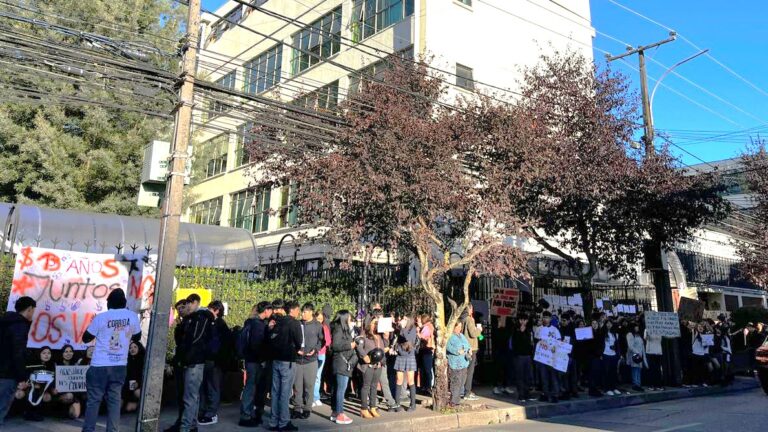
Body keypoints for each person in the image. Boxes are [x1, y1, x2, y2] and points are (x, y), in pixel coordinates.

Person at [81, 288, 142, 432]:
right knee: (114, 401)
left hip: (99, 365)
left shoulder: (101, 317)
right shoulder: (132, 316)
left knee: (94, 401)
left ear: (109, 303)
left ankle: (88, 430)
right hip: (119, 365)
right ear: (124, 303)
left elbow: (86, 338)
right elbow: (137, 337)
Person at [166, 293, 214, 432]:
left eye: (185, 305)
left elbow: (194, 341)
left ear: (193, 303)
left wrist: (186, 359)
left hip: (193, 362)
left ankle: (186, 427)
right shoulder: (189, 320)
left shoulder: (200, 318)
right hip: (189, 361)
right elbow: (181, 341)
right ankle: (189, 425)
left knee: (190, 397)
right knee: (190, 396)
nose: (182, 309)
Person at [0, 296, 36, 426]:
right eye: (33, 310)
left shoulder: (6, 321)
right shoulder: (19, 326)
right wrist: (22, 376)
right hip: (8, 372)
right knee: (3, 403)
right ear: (30, 309)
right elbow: (18, 353)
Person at [267, 300, 302, 432]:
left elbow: (271, 337)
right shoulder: (294, 323)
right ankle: (284, 422)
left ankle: (273, 421)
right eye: (297, 310)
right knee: (285, 392)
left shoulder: (278, 321)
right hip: (288, 360)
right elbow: (299, 341)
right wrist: (295, 349)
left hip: (276, 359)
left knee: (275, 392)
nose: (298, 312)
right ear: (292, 310)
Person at [199, 300, 231, 426]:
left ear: (217, 310)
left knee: (212, 387)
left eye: (210, 309)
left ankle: (210, 413)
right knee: (206, 387)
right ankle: (204, 411)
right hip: (209, 360)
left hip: (214, 361)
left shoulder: (219, 325)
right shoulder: (212, 323)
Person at [239, 301, 271, 427]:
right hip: (255, 361)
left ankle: (248, 413)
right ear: (266, 310)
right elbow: (256, 345)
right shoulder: (258, 325)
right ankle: (246, 415)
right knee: (251, 387)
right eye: (270, 310)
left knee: (251, 387)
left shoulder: (251, 322)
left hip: (250, 359)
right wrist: (262, 359)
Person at [292, 303, 324, 420]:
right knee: (297, 387)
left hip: (310, 361)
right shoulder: (297, 323)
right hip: (297, 360)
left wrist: (315, 350)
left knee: (309, 386)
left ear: (311, 312)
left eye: (305, 312)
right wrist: (296, 349)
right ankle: (297, 408)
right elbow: (292, 339)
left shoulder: (317, 325)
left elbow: (322, 341)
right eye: (302, 312)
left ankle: (307, 408)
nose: (302, 314)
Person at [329, 310, 357, 425]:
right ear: (344, 318)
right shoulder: (339, 329)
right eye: (349, 317)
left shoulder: (342, 328)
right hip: (341, 362)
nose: (350, 318)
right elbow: (335, 345)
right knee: (341, 389)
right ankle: (340, 414)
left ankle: (335, 412)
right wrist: (350, 345)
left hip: (341, 362)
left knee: (337, 388)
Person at [356, 318, 385, 419]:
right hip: (367, 365)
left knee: (374, 386)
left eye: (377, 323)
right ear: (369, 323)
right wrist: (364, 356)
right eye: (374, 323)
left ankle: (373, 407)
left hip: (378, 365)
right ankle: (364, 409)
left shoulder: (379, 335)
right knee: (366, 386)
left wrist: (386, 336)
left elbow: (384, 347)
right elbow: (359, 347)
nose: (375, 325)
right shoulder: (364, 334)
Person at [393, 315, 419, 412]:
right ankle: (397, 404)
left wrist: (403, 328)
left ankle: (413, 404)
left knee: (410, 380)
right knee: (399, 380)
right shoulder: (400, 329)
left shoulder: (413, 329)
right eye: (402, 319)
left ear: (409, 320)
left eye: (405, 319)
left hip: (409, 356)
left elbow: (408, 338)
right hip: (400, 356)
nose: (402, 320)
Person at [535, 311, 562, 403]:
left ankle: (555, 395)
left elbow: (559, 342)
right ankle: (545, 394)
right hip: (542, 357)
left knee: (553, 377)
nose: (545, 319)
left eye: (547, 317)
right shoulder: (538, 329)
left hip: (552, 357)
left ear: (550, 319)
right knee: (543, 377)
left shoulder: (555, 330)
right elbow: (536, 342)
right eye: (544, 317)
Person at [53, 344, 83, 419]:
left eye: (70, 351)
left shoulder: (76, 365)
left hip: (74, 394)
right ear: (62, 353)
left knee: (75, 415)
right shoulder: (56, 365)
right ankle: (60, 410)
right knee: (68, 396)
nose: (68, 353)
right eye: (66, 351)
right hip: (60, 393)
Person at [446, 321, 471, 408]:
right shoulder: (450, 336)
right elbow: (448, 347)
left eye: (460, 326)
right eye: (457, 327)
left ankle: (457, 400)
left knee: (462, 382)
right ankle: (453, 402)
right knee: (456, 382)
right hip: (455, 363)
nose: (459, 328)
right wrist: (457, 351)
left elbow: (468, 345)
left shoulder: (462, 336)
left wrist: (469, 350)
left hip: (464, 362)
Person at [511, 314, 534, 402]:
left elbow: (531, 342)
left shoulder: (529, 330)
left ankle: (527, 394)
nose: (523, 322)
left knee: (528, 376)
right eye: (521, 320)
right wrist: (520, 332)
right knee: (520, 376)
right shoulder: (515, 329)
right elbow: (515, 343)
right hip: (519, 356)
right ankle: (521, 395)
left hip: (528, 355)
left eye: (525, 320)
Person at [461, 304, 481, 401]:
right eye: (471, 308)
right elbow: (473, 333)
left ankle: (464, 390)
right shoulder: (469, 319)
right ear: (469, 309)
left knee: (465, 370)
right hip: (471, 348)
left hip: (465, 347)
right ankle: (467, 392)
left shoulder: (462, 319)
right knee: (470, 371)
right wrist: (479, 330)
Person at [313, 305, 332, 407]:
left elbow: (328, 341)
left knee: (317, 376)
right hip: (312, 354)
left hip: (321, 354)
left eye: (321, 319)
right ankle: (311, 397)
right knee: (311, 376)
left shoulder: (324, 328)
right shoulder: (312, 327)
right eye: (318, 318)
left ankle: (316, 397)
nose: (320, 320)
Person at [123, 341, 145, 413]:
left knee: (138, 392)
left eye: (135, 347)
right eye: (130, 348)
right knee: (127, 409)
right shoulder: (128, 360)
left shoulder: (143, 360)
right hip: (129, 386)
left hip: (141, 385)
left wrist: (138, 384)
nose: (132, 349)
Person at [601, 319, 621, 396]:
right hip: (605, 354)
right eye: (607, 323)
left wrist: (617, 352)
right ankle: (607, 388)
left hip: (613, 354)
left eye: (610, 323)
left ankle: (613, 387)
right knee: (607, 372)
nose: (609, 325)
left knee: (613, 372)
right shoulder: (603, 333)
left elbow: (617, 344)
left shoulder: (614, 333)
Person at [626, 323, 647, 392]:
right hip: (634, 355)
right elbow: (630, 346)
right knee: (635, 369)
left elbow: (642, 346)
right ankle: (635, 384)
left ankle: (638, 384)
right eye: (636, 327)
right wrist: (637, 352)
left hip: (639, 355)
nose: (637, 328)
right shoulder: (630, 334)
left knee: (638, 370)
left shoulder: (638, 335)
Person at [417, 314, 435, 393]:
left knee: (426, 369)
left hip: (426, 348)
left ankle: (427, 387)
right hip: (428, 349)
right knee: (426, 369)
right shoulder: (430, 326)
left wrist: (418, 333)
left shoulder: (427, 327)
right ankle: (426, 386)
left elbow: (424, 337)